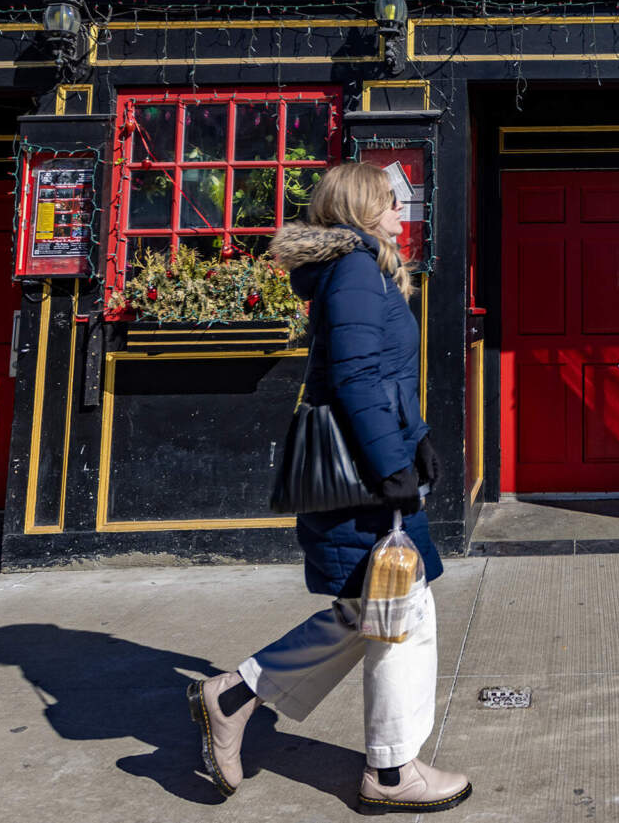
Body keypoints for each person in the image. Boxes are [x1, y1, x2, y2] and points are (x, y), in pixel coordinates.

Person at [188, 161, 469, 814]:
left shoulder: (360, 268)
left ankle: (234, 695)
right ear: (363, 208)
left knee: (371, 608)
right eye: (391, 201)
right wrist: (391, 466)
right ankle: (391, 773)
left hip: (373, 463)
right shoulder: (355, 271)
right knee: (400, 610)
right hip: (364, 476)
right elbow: (356, 378)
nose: (401, 212)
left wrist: (417, 437)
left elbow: (381, 375)